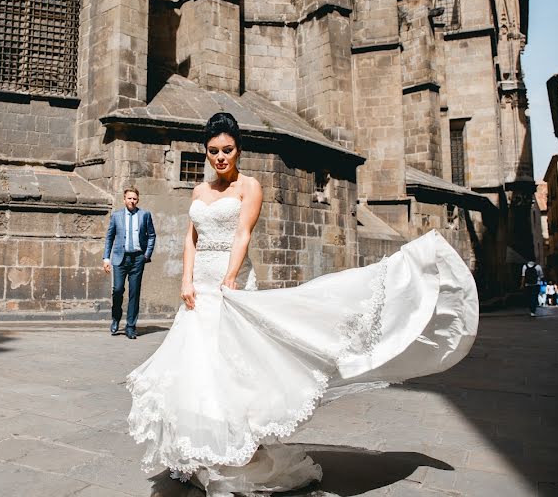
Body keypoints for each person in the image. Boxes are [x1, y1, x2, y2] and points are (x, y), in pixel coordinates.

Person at [126, 113, 479, 496]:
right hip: (198, 288)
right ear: (206, 153)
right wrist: (185, 280)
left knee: (231, 367)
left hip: (231, 283)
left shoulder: (250, 186)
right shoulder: (199, 192)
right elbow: (190, 239)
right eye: (213, 152)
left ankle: (235, 446)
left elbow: (243, 233)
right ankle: (206, 448)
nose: (220, 158)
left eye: (227, 150)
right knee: (198, 367)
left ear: (238, 149)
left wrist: (231, 276)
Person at [103, 187, 156, 339]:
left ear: (137, 200)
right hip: (120, 258)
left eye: (134, 199)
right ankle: (116, 318)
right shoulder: (116, 216)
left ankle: (131, 326)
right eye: (129, 198)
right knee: (118, 290)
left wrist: (146, 255)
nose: (132, 201)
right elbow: (109, 237)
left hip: (138, 259)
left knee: (134, 292)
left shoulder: (144, 215)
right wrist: (106, 258)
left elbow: (152, 235)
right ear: (124, 199)